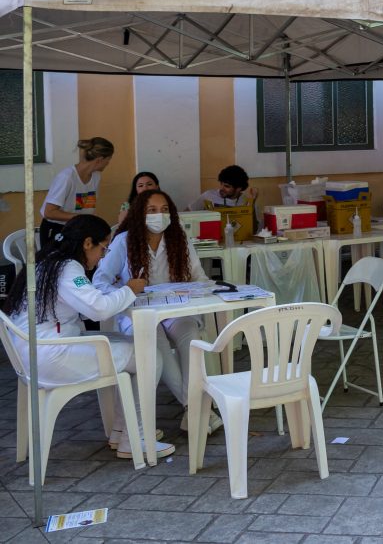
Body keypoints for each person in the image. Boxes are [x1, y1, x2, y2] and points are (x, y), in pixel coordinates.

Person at [2, 214, 174, 459]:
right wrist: (130, 289)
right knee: (150, 355)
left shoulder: (50, 260)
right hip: (51, 356)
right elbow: (99, 308)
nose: (102, 256)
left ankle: (120, 432)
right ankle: (136, 438)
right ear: (87, 243)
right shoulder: (68, 268)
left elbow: (85, 300)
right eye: (103, 248)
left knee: (128, 345)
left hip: (35, 352)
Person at [95, 190, 222, 433]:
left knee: (192, 339)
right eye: (151, 210)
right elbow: (100, 282)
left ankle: (194, 411)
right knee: (158, 345)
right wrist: (126, 289)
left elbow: (201, 278)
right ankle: (195, 408)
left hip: (174, 309)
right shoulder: (124, 242)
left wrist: (191, 290)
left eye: (164, 210)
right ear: (140, 214)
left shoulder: (179, 240)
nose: (159, 215)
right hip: (138, 313)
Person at [39, 137, 115, 250]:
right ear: (99, 159)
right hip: (56, 229)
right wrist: (80, 218)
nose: (108, 163)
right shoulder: (67, 177)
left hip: (78, 229)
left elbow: (87, 207)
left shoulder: (96, 177)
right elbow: (49, 212)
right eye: (108, 159)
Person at [188, 164, 258, 211]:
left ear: (238, 188)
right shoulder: (208, 196)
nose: (221, 188)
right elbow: (186, 213)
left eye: (227, 186)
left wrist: (252, 202)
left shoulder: (246, 200)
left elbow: (255, 227)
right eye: (221, 184)